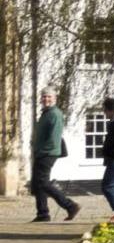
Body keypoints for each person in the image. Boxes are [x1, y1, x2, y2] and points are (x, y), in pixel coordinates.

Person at [29, 89, 79, 223]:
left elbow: (54, 137)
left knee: (42, 182)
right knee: (37, 184)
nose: (46, 99)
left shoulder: (55, 114)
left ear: (55, 98)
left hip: (48, 152)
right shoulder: (46, 113)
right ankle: (43, 214)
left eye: (49, 97)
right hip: (41, 152)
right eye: (44, 97)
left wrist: (44, 151)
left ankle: (70, 205)